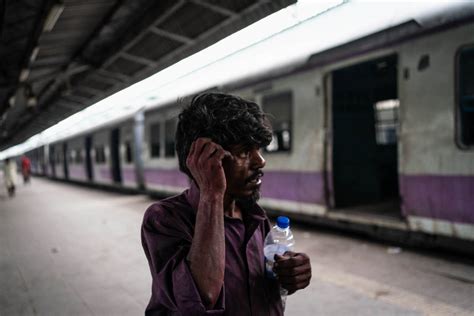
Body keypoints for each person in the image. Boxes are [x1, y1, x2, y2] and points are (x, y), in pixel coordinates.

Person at [141, 93, 312, 315]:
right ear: (202, 158)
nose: (261, 161)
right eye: (243, 151)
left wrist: (291, 274)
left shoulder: (254, 217)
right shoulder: (164, 219)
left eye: (258, 149)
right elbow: (203, 296)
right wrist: (212, 194)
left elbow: (261, 287)